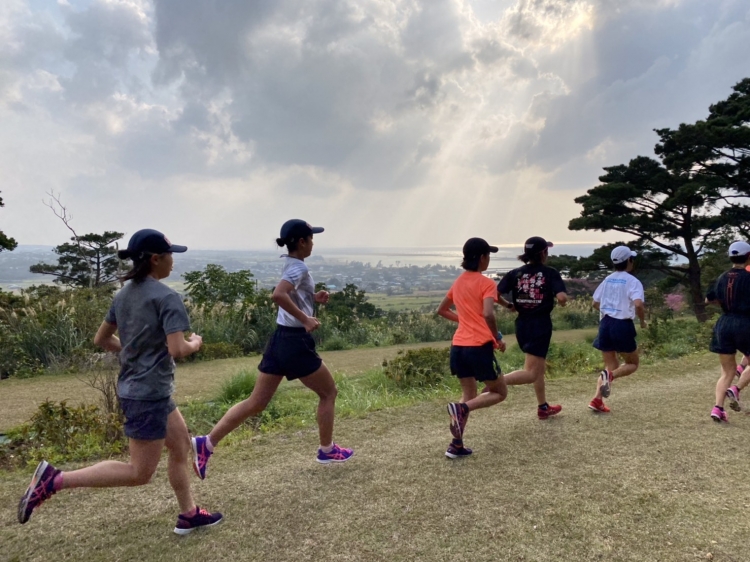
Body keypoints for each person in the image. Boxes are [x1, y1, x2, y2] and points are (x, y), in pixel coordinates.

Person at [17, 229, 222, 535]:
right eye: (170, 256)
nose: (173, 262)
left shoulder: (123, 294)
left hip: (146, 389)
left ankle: (189, 514)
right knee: (139, 473)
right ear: (155, 259)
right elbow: (177, 349)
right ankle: (55, 480)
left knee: (180, 445)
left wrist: (133, 353)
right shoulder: (167, 297)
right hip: (148, 394)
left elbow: (101, 339)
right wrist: (195, 343)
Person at [191, 220, 353, 478]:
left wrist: (312, 298)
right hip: (294, 342)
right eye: (311, 238)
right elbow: (279, 294)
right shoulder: (298, 267)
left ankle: (206, 443)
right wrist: (305, 319)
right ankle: (326, 449)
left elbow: (290, 294)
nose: (313, 243)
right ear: (302, 242)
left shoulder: (291, 264)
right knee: (329, 392)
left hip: (279, 338)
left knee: (256, 402)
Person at [438, 238, 507, 458]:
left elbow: (442, 310)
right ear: (482, 258)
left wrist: (465, 321)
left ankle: (456, 445)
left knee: (468, 393)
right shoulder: (486, 283)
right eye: (488, 255)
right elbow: (488, 313)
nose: (488, 259)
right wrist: (496, 337)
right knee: (499, 392)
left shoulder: (458, 282)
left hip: (458, 347)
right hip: (478, 347)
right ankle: (463, 409)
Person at [497, 237, 566, 419]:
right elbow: (561, 298)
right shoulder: (550, 273)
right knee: (532, 373)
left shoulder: (516, 273)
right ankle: (496, 382)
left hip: (522, 324)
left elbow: (495, 294)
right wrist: (563, 301)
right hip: (540, 324)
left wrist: (508, 305)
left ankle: (543, 407)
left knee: (537, 368)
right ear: (543, 253)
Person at [587, 246, 646, 414]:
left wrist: (608, 310)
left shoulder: (608, 279)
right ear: (629, 260)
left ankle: (597, 400)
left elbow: (595, 302)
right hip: (622, 325)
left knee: (610, 364)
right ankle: (610, 377)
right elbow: (638, 304)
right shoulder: (633, 281)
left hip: (605, 323)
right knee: (632, 363)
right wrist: (641, 320)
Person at [706, 241, 750, 422]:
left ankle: (718, 408)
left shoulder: (722, 277)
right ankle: (736, 388)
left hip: (723, 324)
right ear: (748, 256)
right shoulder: (748, 278)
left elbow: (709, 299)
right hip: (745, 323)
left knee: (727, 371)